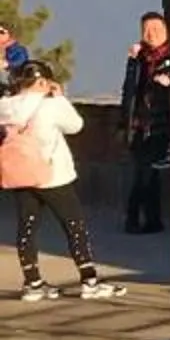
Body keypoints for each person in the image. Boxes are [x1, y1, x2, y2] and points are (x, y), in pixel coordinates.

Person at [0, 64, 111, 301]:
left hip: (20, 174)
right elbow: (76, 126)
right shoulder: (50, 106)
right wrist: (60, 98)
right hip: (52, 175)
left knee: (27, 227)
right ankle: (89, 280)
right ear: (42, 82)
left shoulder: (6, 106)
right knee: (74, 225)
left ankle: (33, 283)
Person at [119, 13, 170, 235]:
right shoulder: (140, 58)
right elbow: (129, 90)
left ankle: (135, 218)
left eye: (156, 29)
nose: (151, 34)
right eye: (146, 30)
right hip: (141, 125)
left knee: (147, 173)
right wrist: (132, 62)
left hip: (162, 124)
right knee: (146, 173)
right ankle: (151, 220)